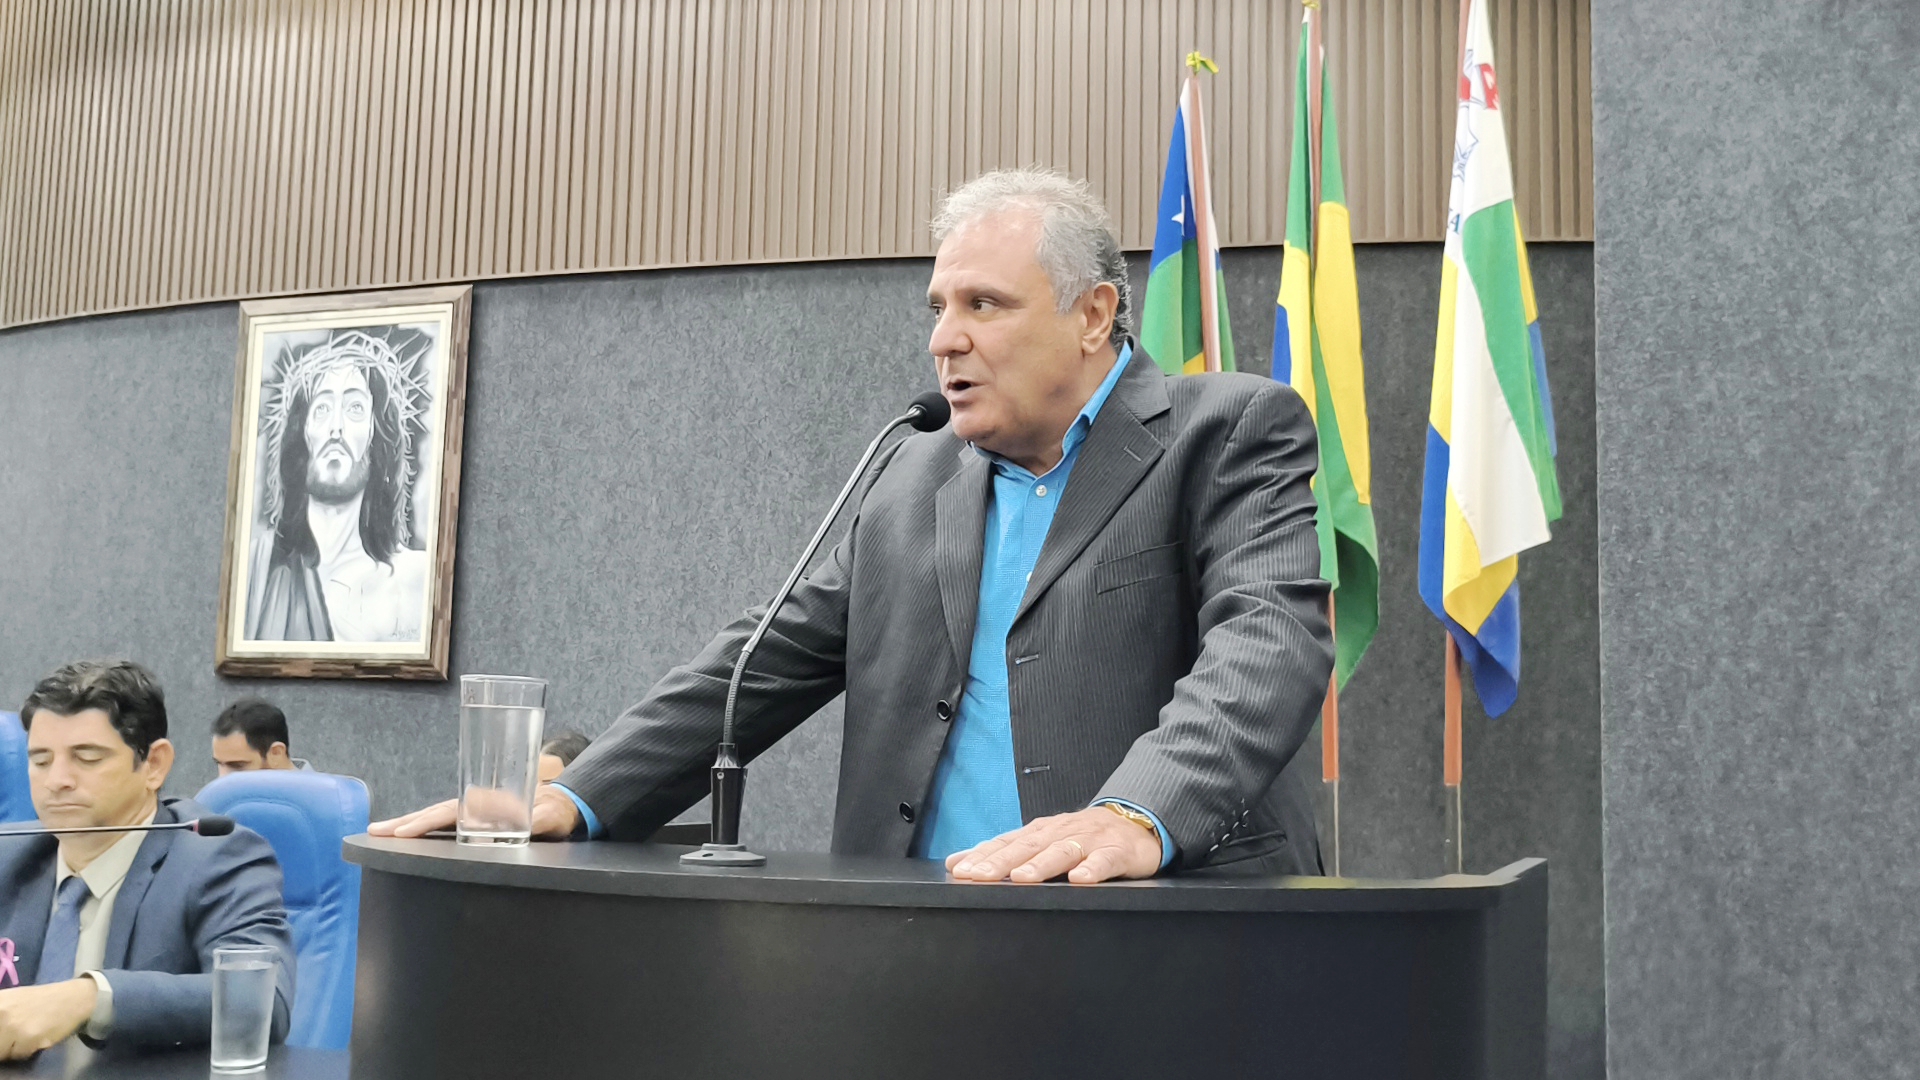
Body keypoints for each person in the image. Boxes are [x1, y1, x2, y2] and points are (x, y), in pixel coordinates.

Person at [375, 168, 1333, 884]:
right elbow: (762, 659)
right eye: (938, 307)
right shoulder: (916, 473)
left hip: (1158, 933)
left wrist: (1136, 814)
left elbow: (1268, 643)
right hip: (910, 939)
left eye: (984, 305)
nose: (944, 338)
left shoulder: (1228, 430)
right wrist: (578, 793)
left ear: (1094, 315)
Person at [0, 661, 295, 1059]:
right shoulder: (10, 856)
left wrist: (88, 998)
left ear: (154, 764)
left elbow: (260, 1000)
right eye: (41, 760)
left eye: (86, 758)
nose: (57, 780)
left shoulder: (219, 859)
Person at [244, 329, 432, 644]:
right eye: (322, 408)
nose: (336, 427)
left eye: (355, 408)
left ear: (376, 440)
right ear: (302, 436)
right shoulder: (255, 570)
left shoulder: (414, 581)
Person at [210, 699, 314, 776]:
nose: (222, 777)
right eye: (219, 764)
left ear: (276, 753)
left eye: (238, 766)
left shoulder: (320, 797)